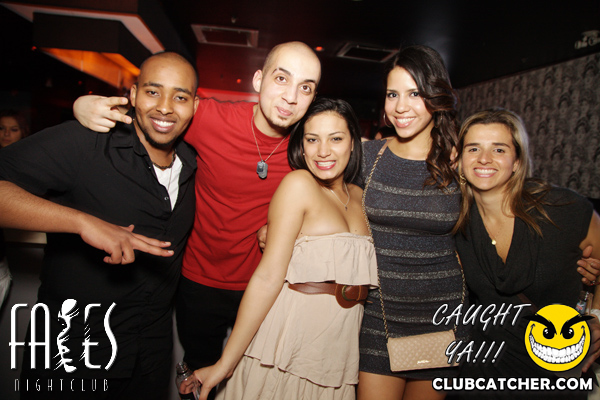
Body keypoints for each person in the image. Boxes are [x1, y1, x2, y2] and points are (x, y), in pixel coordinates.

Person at [72, 41, 322, 382]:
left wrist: (294, 229)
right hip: (199, 281)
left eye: (305, 88)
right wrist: (82, 105)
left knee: (255, 380)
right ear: (258, 80)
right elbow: (155, 111)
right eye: (282, 79)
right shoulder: (209, 117)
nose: (291, 97)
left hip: (266, 286)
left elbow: (335, 201)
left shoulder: (311, 146)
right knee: (197, 376)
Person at [0, 52, 199, 399]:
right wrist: (81, 222)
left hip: (149, 358)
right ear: (133, 95)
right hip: (71, 356)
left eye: (180, 97)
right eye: (153, 92)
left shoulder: (193, 162)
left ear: (194, 106)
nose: (165, 107)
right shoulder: (87, 142)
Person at [194, 97, 377, 400]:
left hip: (339, 352)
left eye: (336, 138)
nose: (323, 151)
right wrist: (225, 364)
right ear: (301, 146)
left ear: (353, 143)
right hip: (288, 346)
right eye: (312, 139)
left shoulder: (361, 196)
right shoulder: (299, 184)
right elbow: (268, 278)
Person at [453, 108, 600, 398]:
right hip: (484, 371)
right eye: (473, 148)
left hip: (553, 370)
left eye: (499, 149)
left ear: (517, 161)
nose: (484, 158)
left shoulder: (561, 209)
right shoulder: (455, 221)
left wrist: (597, 315)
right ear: (459, 160)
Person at [355, 45, 465, 400]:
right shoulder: (367, 156)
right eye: (392, 94)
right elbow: (328, 201)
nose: (400, 107)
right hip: (378, 316)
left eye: (414, 94)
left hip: (440, 319)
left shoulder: (460, 162)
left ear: (436, 96)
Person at [0, 109, 30, 308]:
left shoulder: (31, 164)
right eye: (1, 128)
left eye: (13, 129)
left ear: (23, 132)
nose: (6, 134)